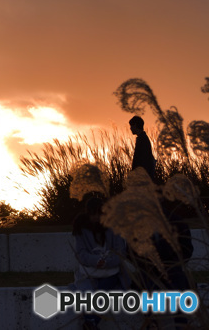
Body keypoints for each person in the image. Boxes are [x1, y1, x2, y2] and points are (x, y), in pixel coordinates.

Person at [72, 196, 130, 329]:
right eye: (93, 214)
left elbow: (121, 252)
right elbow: (80, 253)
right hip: (89, 272)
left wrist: (106, 262)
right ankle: (91, 323)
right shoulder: (81, 228)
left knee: (101, 293)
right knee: (87, 294)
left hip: (111, 272)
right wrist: (95, 261)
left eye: (99, 213)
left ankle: (90, 323)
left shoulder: (114, 227)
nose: (97, 217)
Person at [130, 115, 157, 181]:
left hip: (143, 176)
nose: (130, 128)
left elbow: (142, 160)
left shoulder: (142, 139)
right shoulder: (142, 138)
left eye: (131, 126)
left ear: (135, 125)